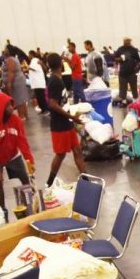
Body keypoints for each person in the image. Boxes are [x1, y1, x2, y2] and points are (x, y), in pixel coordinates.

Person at [45, 53, 86, 187]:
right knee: (60, 154)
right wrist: (71, 117)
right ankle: (49, 183)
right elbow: (53, 104)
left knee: (77, 150)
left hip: (67, 123)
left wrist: (71, 117)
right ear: (60, 64)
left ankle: (86, 180)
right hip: (59, 125)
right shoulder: (55, 81)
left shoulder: (57, 79)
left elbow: (61, 102)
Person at [0, 91, 33, 186]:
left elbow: (22, 141)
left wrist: (30, 160)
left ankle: (28, 196)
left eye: (11, 104)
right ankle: (0, 196)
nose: (11, 108)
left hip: (13, 155)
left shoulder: (15, 120)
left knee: (25, 179)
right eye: (7, 106)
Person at [114, 37, 140, 104]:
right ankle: (123, 102)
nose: (127, 42)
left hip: (132, 73)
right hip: (122, 73)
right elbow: (115, 58)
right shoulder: (120, 49)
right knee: (122, 90)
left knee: (134, 89)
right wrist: (119, 59)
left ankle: (136, 103)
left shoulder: (134, 49)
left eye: (128, 41)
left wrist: (136, 67)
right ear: (124, 41)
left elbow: (138, 60)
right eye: (126, 41)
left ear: (130, 41)